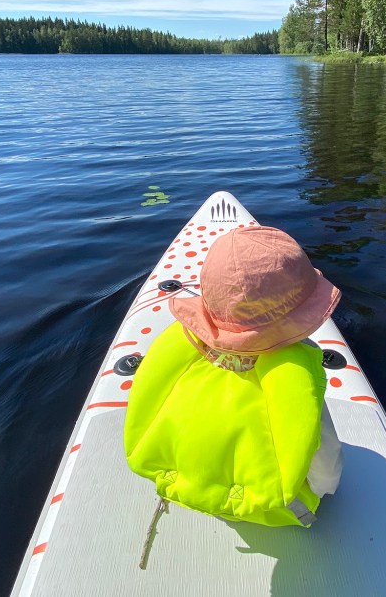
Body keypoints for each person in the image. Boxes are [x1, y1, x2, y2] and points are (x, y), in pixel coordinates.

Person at [124, 225, 343, 528]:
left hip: (182, 484)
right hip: (273, 508)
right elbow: (325, 470)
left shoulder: (178, 344)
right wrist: (327, 490)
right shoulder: (295, 373)